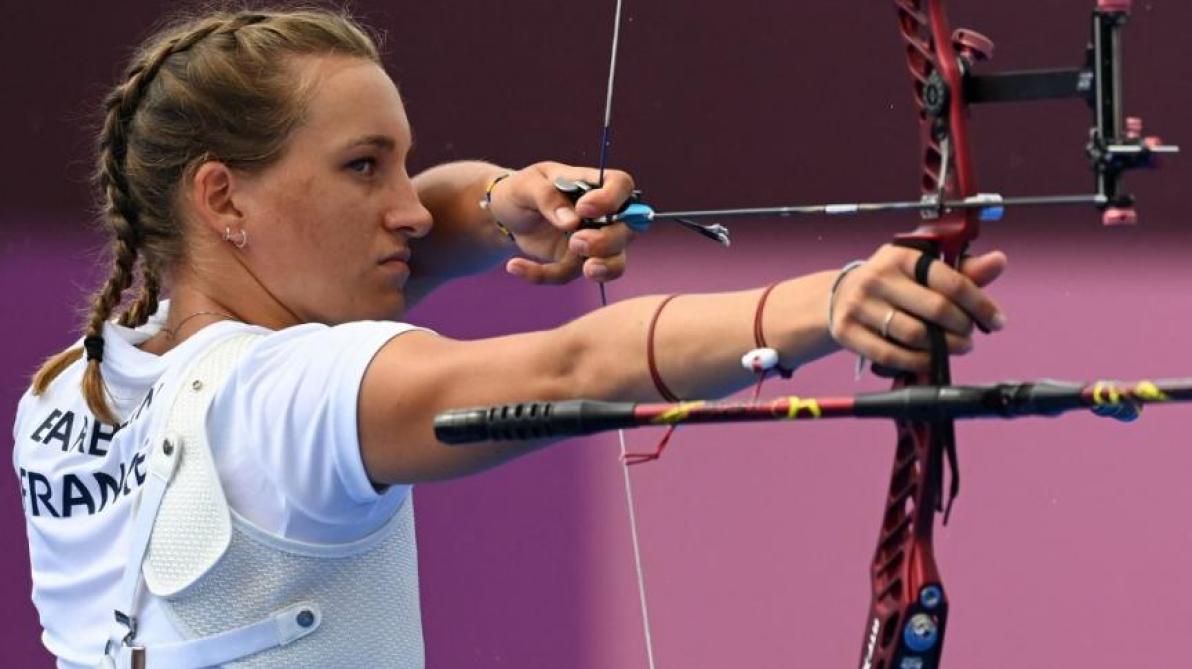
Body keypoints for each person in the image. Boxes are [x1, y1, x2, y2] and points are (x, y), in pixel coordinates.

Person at [11, 7, 1008, 669]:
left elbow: (423, 226)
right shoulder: (292, 404)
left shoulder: (73, 388)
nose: (406, 209)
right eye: (365, 167)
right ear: (223, 196)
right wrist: (831, 302)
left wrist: (502, 205)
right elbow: (573, 363)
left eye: (405, 168)